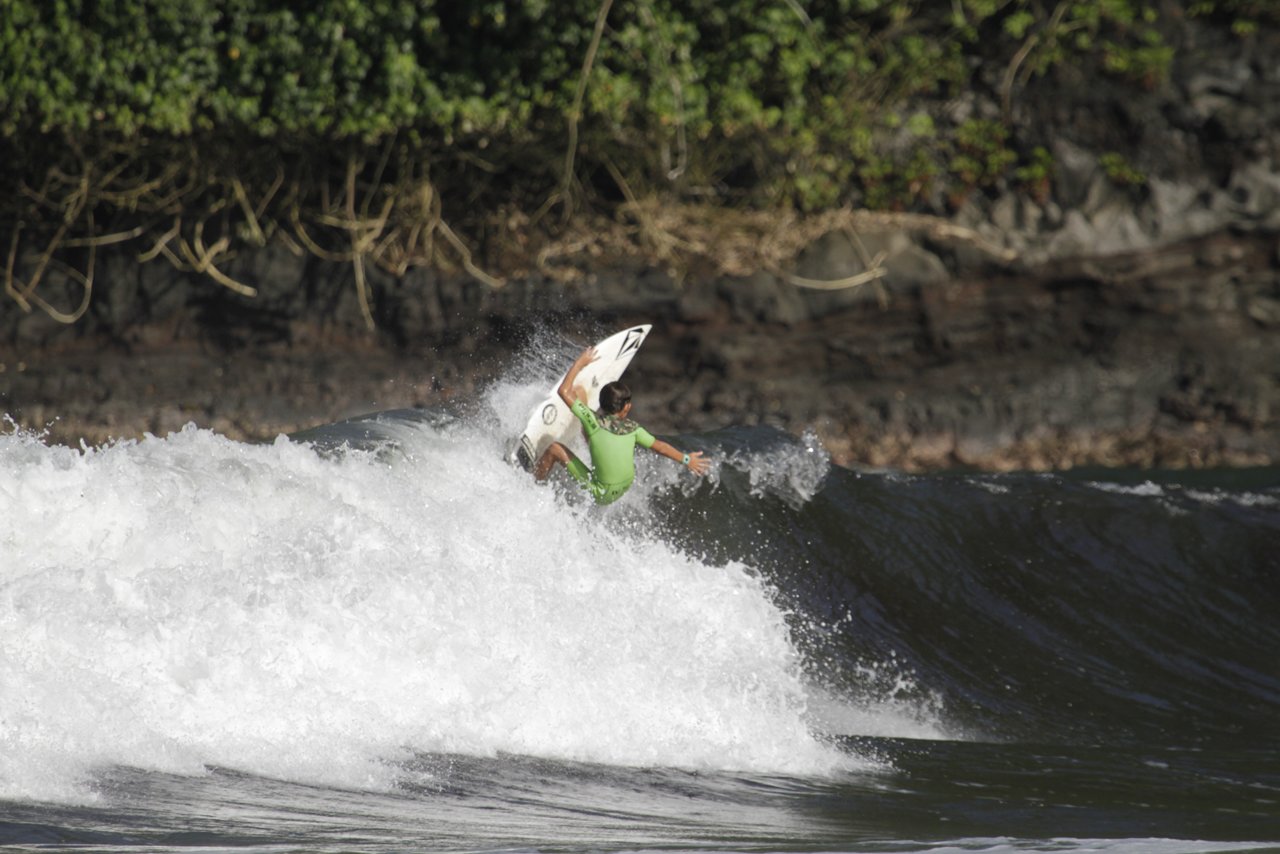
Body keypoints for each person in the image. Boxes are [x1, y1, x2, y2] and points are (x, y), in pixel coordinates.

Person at [533, 346, 710, 504]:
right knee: (586, 427)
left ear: (601, 404)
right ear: (627, 408)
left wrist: (580, 363)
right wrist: (687, 460)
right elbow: (661, 447)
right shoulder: (634, 429)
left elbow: (563, 391)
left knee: (555, 448)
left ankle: (533, 487)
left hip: (601, 492)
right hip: (624, 487)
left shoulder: (592, 420)